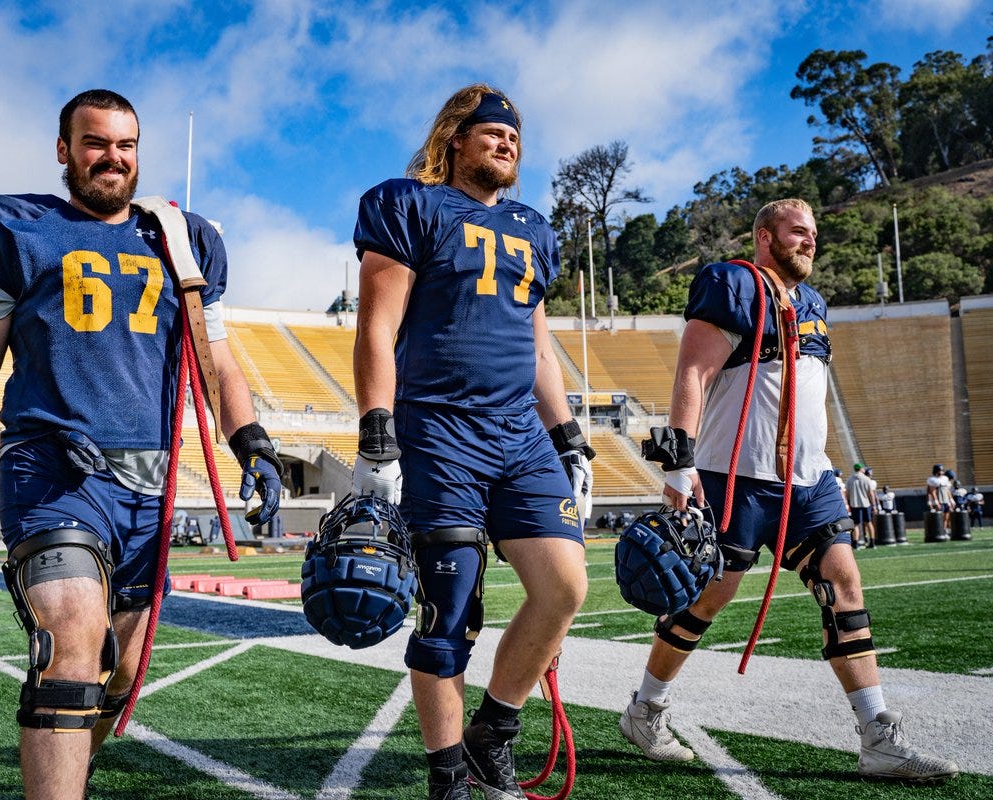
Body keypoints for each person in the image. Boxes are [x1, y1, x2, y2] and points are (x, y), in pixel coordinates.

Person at [0, 89, 283, 800]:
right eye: (96, 142)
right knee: (72, 638)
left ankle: (66, 764)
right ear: (64, 150)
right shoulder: (20, 231)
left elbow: (218, 361)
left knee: (123, 670)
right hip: (54, 472)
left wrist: (252, 442)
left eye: (125, 144)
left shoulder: (179, 238)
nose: (113, 157)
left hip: (151, 488)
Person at [620, 198, 958, 783]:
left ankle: (878, 735)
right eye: (798, 231)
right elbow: (694, 371)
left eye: (814, 233)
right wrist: (679, 462)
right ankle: (645, 708)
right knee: (707, 598)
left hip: (808, 479)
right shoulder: (732, 282)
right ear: (764, 237)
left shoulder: (815, 304)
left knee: (844, 584)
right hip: (735, 478)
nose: (810, 241)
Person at [352, 83, 593, 800]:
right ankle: (448, 776)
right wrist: (377, 433)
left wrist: (571, 437)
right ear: (456, 138)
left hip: (520, 434)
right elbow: (375, 325)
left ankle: (494, 731)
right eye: (492, 132)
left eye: (515, 136)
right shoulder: (411, 204)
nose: (507, 143)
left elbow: (540, 347)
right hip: (439, 432)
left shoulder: (533, 228)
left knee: (564, 588)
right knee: (450, 614)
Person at [845, 463, 875, 549]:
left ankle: (855, 544)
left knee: (856, 525)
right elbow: (871, 493)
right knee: (869, 523)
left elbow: (847, 493)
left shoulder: (850, 479)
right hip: (866, 504)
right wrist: (874, 505)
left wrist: (849, 501)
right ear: (861, 469)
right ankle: (872, 543)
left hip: (855, 504)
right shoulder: (866, 479)